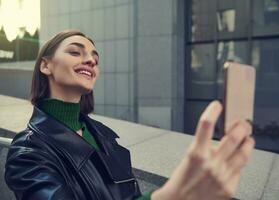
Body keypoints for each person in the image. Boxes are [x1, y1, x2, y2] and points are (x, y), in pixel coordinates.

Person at [5, 30, 255, 200]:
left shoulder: (101, 133)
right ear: (45, 65)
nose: (91, 61)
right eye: (75, 52)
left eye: (95, 57)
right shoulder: (28, 153)